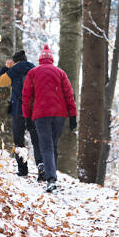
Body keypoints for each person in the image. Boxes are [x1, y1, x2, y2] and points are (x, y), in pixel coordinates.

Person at [22, 44, 77, 193]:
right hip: (59, 115)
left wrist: (27, 117)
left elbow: (26, 97)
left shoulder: (33, 73)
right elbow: (69, 95)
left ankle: (51, 179)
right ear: (51, 59)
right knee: (53, 145)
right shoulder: (60, 73)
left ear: (40, 59)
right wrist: (73, 116)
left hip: (41, 115)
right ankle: (51, 175)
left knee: (46, 146)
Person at [0, 50, 45, 180]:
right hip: (34, 110)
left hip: (18, 110)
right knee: (37, 140)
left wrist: (6, 68)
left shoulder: (13, 71)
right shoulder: (36, 71)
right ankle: (41, 167)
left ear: (15, 61)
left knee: (19, 141)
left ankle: (23, 170)